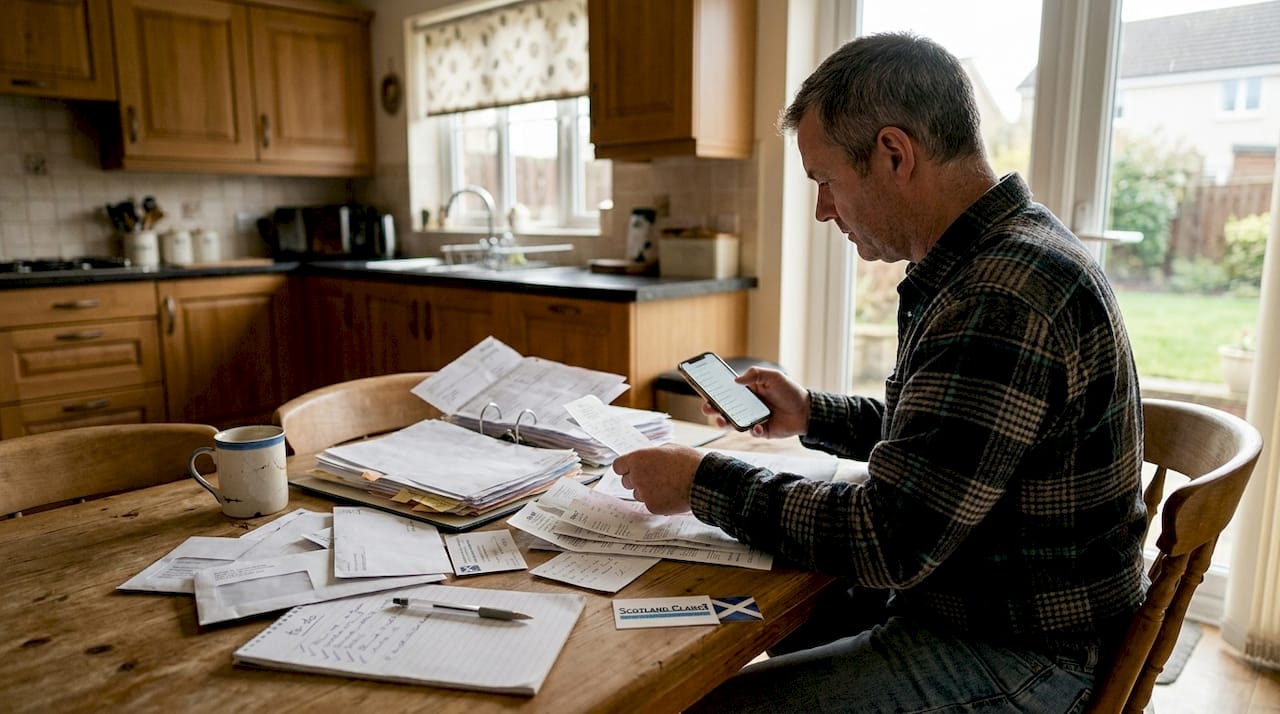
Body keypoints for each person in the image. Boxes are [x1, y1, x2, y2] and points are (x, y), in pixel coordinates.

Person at [612, 32, 1148, 713]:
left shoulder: (999, 295)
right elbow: (947, 442)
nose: (823, 211)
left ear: (894, 153)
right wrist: (813, 414)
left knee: (696, 702)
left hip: (1026, 656)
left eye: (826, 182)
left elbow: (887, 538)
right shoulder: (996, 254)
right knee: (751, 621)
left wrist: (701, 482)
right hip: (986, 608)